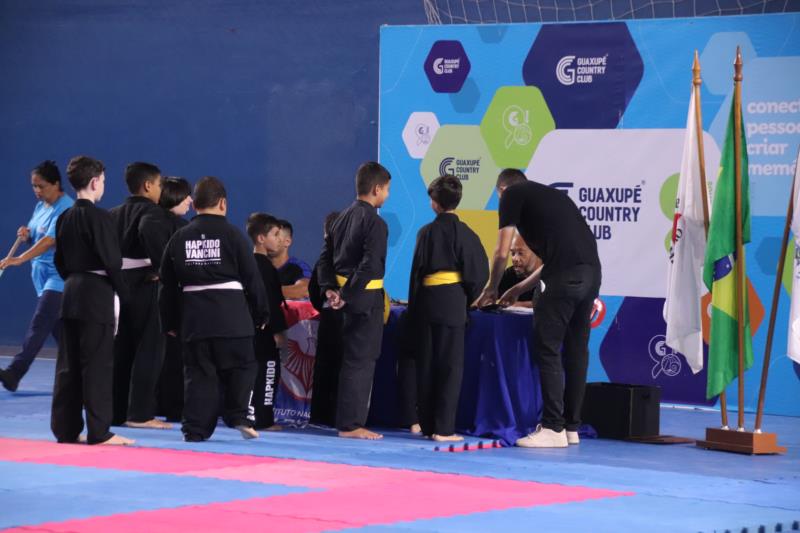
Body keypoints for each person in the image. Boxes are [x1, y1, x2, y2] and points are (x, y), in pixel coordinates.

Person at [476, 169, 601, 448]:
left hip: (564, 278)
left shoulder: (511, 194)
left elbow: (501, 251)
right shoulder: (553, 196)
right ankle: (571, 427)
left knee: (548, 348)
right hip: (590, 274)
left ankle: (553, 427)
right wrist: (518, 288)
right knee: (576, 350)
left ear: (501, 191)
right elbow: (555, 259)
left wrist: (491, 288)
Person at [159, 176, 267, 442]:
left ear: (194, 204)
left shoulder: (179, 237)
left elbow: (167, 285)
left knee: (199, 375)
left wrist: (169, 321)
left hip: (194, 319)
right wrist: (261, 313)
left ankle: (195, 430)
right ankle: (239, 415)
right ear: (223, 203)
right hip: (233, 317)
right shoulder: (234, 235)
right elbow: (252, 278)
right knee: (243, 366)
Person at [51, 155, 133, 446]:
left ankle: (66, 429)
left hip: (71, 292)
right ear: (95, 181)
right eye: (104, 181)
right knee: (97, 364)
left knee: (68, 365)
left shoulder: (64, 217)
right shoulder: (101, 217)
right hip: (96, 293)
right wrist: (125, 295)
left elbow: (60, 261)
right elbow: (112, 261)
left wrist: (75, 278)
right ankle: (100, 432)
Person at [407, 175, 488, 442]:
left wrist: (414, 308)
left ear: (434, 203)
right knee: (450, 368)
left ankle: (428, 425)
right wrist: (465, 298)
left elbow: (416, 275)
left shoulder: (425, 233)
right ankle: (444, 430)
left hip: (426, 304)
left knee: (426, 364)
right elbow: (479, 275)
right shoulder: (467, 234)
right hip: (453, 304)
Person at [316, 162, 390, 440]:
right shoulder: (375, 222)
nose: (387, 195)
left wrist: (330, 290)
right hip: (363, 299)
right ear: (377, 189)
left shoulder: (341, 218)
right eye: (387, 189)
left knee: (349, 360)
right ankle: (351, 425)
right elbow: (370, 265)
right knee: (361, 360)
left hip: (342, 297)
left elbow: (324, 259)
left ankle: (342, 420)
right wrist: (346, 295)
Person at [0, 161, 74, 392]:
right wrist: (26, 234)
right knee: (63, 335)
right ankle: (84, 375)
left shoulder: (66, 208)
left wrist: (19, 259)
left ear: (56, 184)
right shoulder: (40, 206)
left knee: (40, 323)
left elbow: (50, 240)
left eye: (41, 186)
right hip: (40, 278)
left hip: (58, 276)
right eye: (34, 186)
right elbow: (37, 235)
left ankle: (14, 372)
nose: (37, 191)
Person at [109, 162, 173, 430]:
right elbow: (149, 233)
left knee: (121, 350)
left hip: (118, 286)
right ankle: (141, 414)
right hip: (146, 286)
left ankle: (116, 411)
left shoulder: (113, 213)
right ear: (148, 185)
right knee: (149, 349)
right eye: (159, 185)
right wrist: (161, 269)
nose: (160, 190)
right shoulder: (153, 213)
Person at [246, 212, 289, 430]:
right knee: (268, 372)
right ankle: (263, 419)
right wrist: (278, 331)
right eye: (275, 234)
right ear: (261, 238)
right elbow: (270, 301)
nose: (280, 240)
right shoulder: (264, 267)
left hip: (247, 329)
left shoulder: (246, 263)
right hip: (264, 331)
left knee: (249, 373)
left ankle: (248, 416)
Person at [155, 177, 192, 422]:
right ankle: (175, 407)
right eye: (186, 195)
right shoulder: (183, 230)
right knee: (176, 357)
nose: (190, 200)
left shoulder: (149, 220)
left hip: (148, 297)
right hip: (175, 301)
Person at [308, 211, 344, 428]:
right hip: (347, 316)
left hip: (328, 315)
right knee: (342, 366)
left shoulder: (324, 257)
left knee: (323, 366)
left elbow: (314, 289)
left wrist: (323, 304)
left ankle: (318, 415)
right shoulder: (351, 255)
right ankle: (337, 416)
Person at [497, 231, 544, 308]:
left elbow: (554, 303)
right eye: (513, 253)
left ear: (537, 253)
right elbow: (494, 300)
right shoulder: (509, 274)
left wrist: (517, 305)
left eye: (520, 253)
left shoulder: (553, 275)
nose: (514, 259)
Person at [271, 219, 312, 300]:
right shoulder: (255, 267)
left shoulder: (299, 267)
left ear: (287, 242)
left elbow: (305, 290)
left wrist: (264, 292)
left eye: (275, 236)